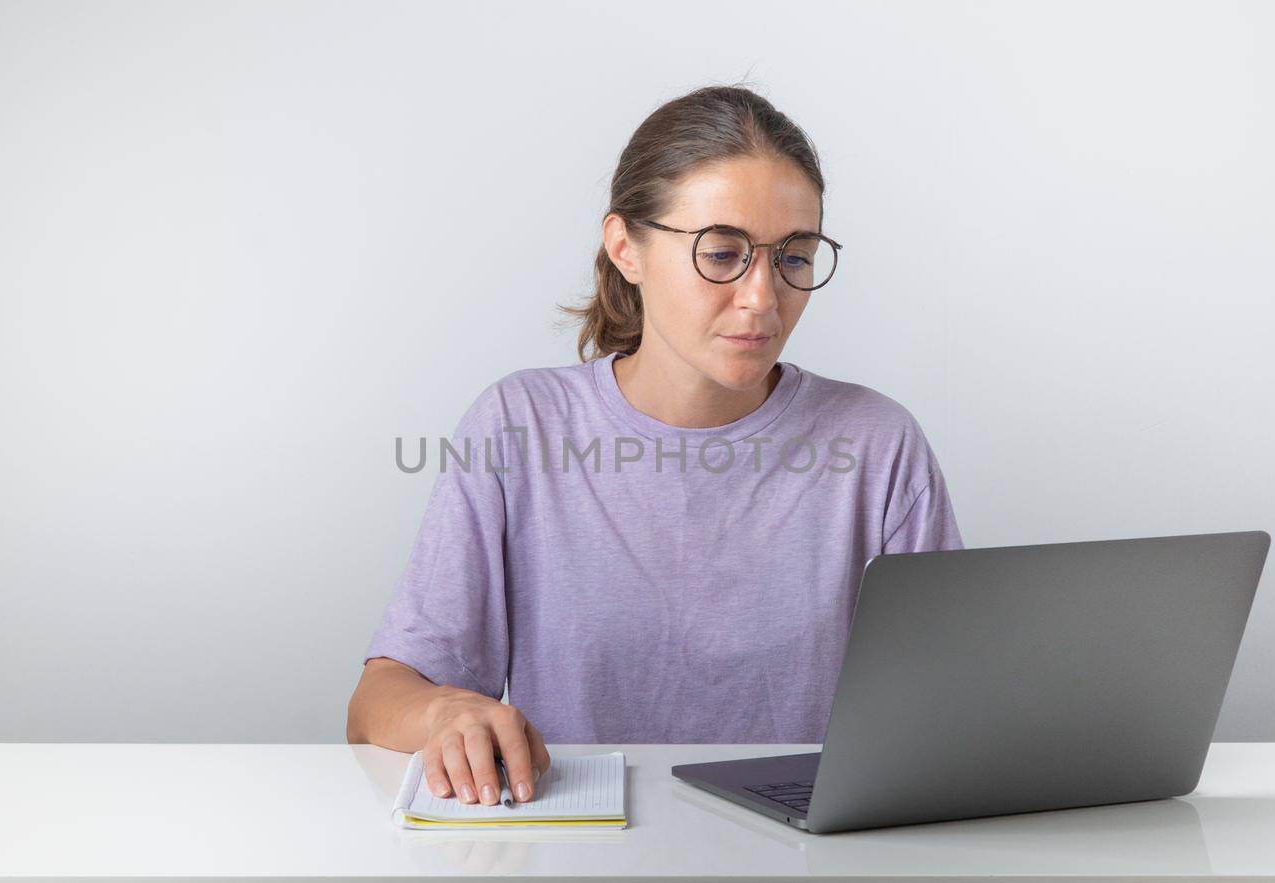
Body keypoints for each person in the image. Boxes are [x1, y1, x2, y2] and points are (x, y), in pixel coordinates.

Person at [345, 84, 963, 811]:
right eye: (723, 253)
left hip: (809, 869)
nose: (763, 297)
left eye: (795, 257)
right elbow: (376, 704)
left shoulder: (878, 446)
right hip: (582, 859)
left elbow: (949, 714)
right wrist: (443, 714)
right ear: (625, 248)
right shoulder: (521, 427)